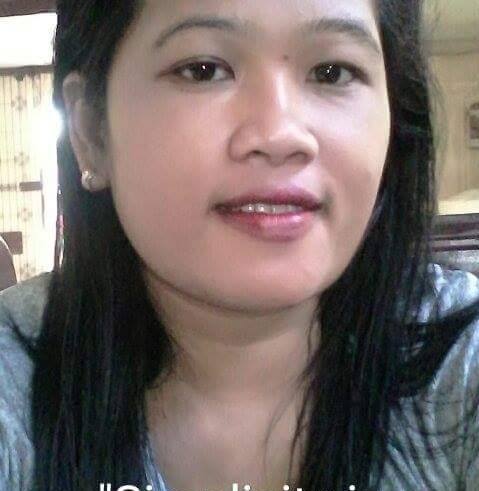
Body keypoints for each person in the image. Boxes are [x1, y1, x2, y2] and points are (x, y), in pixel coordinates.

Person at [0, 0, 478, 490]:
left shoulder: (462, 366)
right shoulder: (13, 382)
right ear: (90, 132)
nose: (280, 135)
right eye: (203, 70)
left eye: (332, 72)